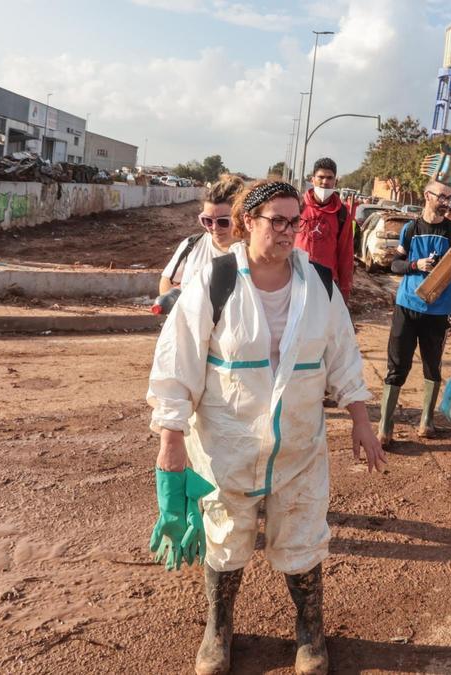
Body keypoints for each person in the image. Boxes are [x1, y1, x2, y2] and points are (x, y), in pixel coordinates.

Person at [147, 180, 385, 675]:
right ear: (246, 222)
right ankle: (218, 629)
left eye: (293, 220)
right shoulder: (215, 280)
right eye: (276, 220)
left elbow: (341, 353)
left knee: (301, 531)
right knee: (224, 531)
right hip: (224, 441)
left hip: (298, 441)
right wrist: (171, 438)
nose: (287, 230)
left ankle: (310, 633)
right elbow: (177, 362)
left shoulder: (317, 283)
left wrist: (360, 417)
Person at [378, 180, 451, 447]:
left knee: (433, 366)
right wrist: (415, 264)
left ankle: (426, 422)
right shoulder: (410, 229)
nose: (446, 202)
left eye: (449, 198)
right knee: (397, 365)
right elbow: (394, 265)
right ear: (426, 196)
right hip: (407, 307)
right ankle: (385, 427)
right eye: (441, 197)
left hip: (438, 312)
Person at [159, 174, 245, 295]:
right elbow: (168, 280)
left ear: (241, 218)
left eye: (223, 221)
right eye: (207, 221)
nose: (214, 228)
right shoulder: (191, 246)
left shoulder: (253, 253)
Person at [295, 157, 355, 301]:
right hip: (296, 279)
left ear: (335, 181)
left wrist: (344, 290)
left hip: (326, 283)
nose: (325, 182)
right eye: (321, 177)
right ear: (312, 179)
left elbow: (345, 254)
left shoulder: (342, 214)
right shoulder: (298, 206)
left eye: (329, 178)